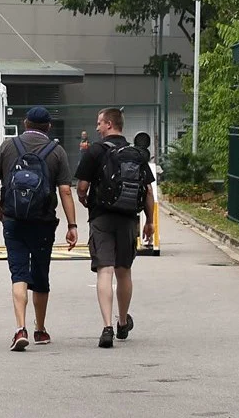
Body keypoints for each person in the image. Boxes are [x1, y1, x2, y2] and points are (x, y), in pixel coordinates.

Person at [0, 105, 76, 352]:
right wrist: (72, 225)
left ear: (25, 123)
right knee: (40, 273)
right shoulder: (56, 151)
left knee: (18, 274)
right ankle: (41, 329)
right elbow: (66, 190)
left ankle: (20, 328)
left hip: (14, 219)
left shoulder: (8, 147)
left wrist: (0, 210)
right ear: (48, 127)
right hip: (43, 222)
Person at [76, 107, 156, 348]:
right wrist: (149, 222)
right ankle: (123, 322)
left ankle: (107, 327)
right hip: (129, 218)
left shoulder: (95, 151)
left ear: (109, 124)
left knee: (105, 270)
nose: (97, 127)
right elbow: (148, 192)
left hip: (101, 217)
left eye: (99, 123)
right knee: (124, 271)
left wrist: (86, 200)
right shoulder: (136, 154)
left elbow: (81, 187)